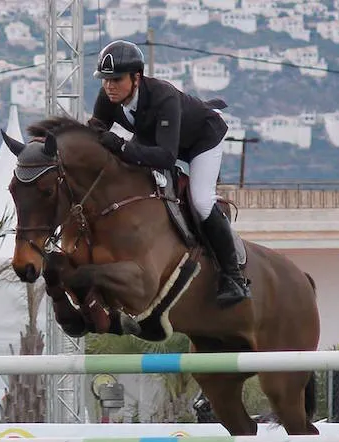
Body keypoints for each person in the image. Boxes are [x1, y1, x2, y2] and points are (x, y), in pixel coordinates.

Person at [87, 39, 251, 308]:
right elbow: (95, 130)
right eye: (105, 79)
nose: (109, 86)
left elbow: (165, 156)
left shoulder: (162, 96)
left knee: (201, 200)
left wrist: (121, 145)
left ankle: (232, 277)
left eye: (116, 79)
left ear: (136, 77)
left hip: (202, 139)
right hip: (158, 140)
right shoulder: (108, 98)